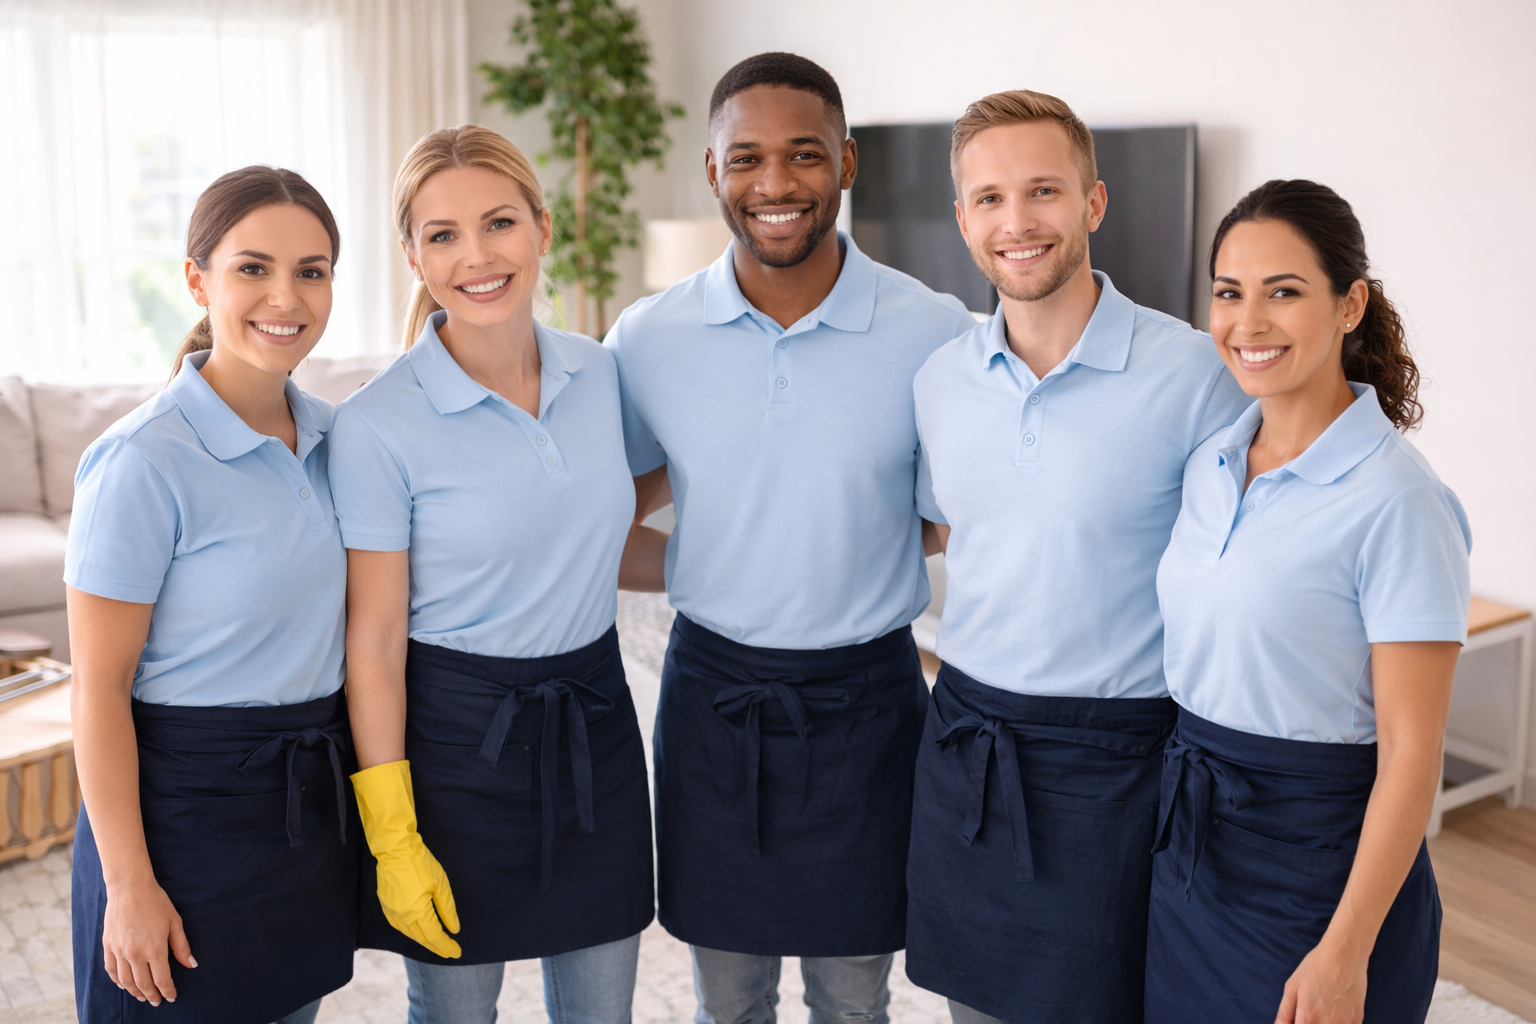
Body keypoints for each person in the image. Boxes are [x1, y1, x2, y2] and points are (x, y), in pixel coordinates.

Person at [607, 52, 972, 1024]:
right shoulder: (648, 338)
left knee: (856, 999)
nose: (776, 185)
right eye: (748, 159)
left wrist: (839, 549)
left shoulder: (936, 329)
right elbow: (599, 510)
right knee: (729, 1000)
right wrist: (707, 556)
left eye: (805, 155)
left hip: (870, 705)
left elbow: (951, 509)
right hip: (715, 703)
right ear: (713, 172)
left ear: (847, 163)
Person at [904, 90, 1252, 1024]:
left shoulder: (1196, 376)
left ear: (1093, 203)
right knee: (970, 1006)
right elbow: (950, 529)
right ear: (963, 219)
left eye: (1042, 192)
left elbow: (1247, 570)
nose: (1016, 223)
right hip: (968, 740)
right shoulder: (938, 384)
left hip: (1118, 763)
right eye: (988, 199)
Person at [330, 124, 653, 1024]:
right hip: (451, 754)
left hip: (594, 726)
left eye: (499, 223)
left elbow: (602, 529)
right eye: (442, 235)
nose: (476, 256)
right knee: (456, 1014)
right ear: (413, 257)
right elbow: (376, 638)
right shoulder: (377, 425)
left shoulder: (601, 374)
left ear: (543, 229)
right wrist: (393, 833)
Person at [1145, 178, 1468, 1024]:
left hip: (1321, 865)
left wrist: (1346, 948)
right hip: (1194, 850)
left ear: (1349, 304)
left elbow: (1411, 753)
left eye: (1283, 293)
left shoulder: (1399, 502)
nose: (1247, 324)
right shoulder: (1210, 461)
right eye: (1228, 293)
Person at [67, 166, 354, 1024]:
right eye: (253, 268)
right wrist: (129, 888)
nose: (286, 296)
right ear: (198, 279)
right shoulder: (143, 460)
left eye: (312, 270)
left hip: (303, 813)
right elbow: (98, 689)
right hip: (180, 822)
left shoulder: (343, 442)